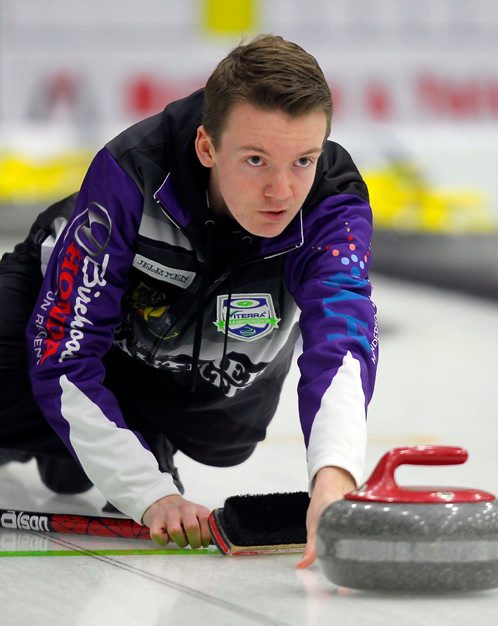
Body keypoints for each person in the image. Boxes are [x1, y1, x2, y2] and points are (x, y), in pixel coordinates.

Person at [0, 34, 378, 568]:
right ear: (207, 146)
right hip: (58, 325)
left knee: (227, 441)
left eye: (303, 161)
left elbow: (344, 338)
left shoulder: (333, 203)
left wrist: (334, 476)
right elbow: (66, 352)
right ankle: (58, 441)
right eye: (255, 159)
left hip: (197, 369)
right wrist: (147, 493)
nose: (281, 191)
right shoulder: (131, 172)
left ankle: (104, 443)